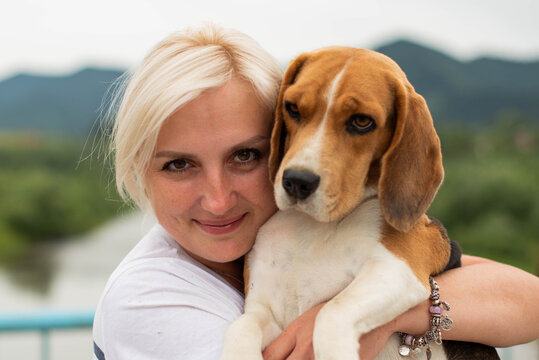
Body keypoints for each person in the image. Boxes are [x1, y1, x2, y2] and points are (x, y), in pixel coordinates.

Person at [93, 23, 539, 360]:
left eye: (245, 155)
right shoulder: (147, 301)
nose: (218, 198)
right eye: (178, 164)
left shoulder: (299, 224)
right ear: (137, 169)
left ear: (275, 142)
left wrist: (385, 316)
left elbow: (526, 300)